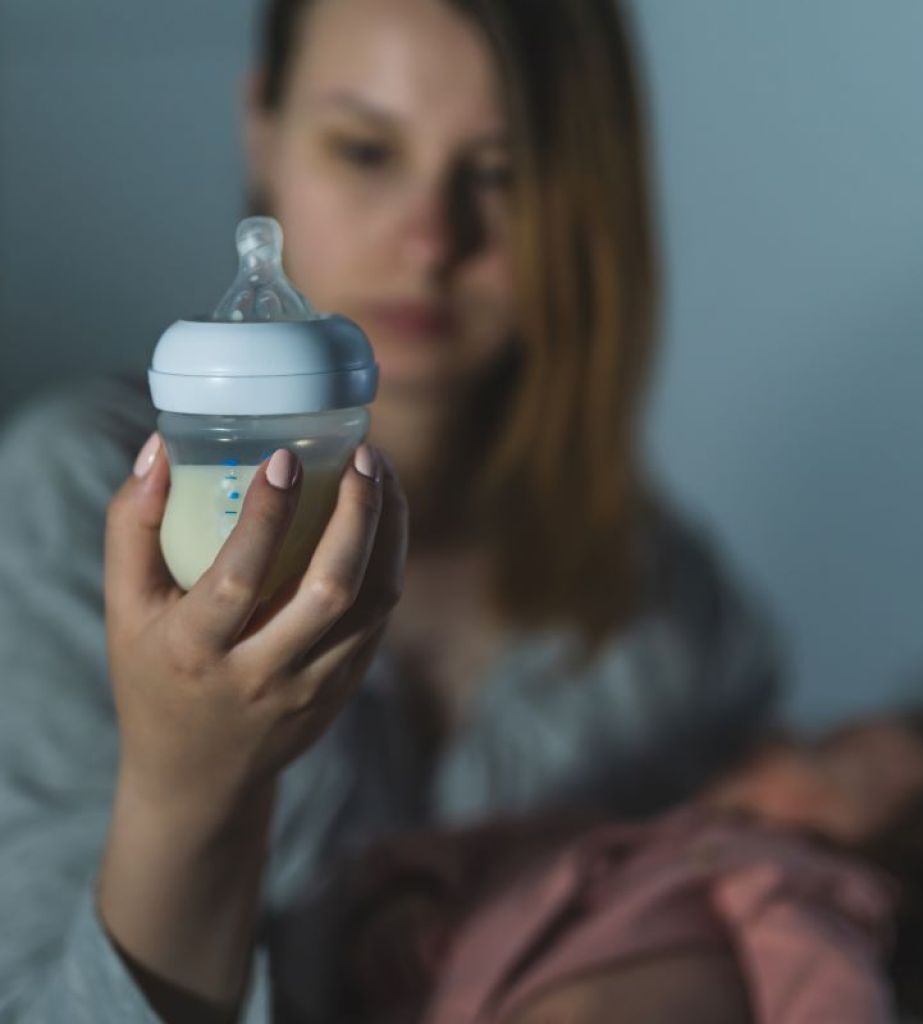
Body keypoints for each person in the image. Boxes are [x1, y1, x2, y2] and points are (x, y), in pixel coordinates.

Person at [0, 1, 780, 1021]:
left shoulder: (674, 630)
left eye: (499, 172)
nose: (431, 240)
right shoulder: (92, 503)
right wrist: (189, 789)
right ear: (262, 132)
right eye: (366, 149)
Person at [289, 705, 923, 1024]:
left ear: (877, 875)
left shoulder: (797, 889)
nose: (782, 737)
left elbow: (829, 993)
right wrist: (409, 895)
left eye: (829, 755)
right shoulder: (620, 840)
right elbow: (495, 848)